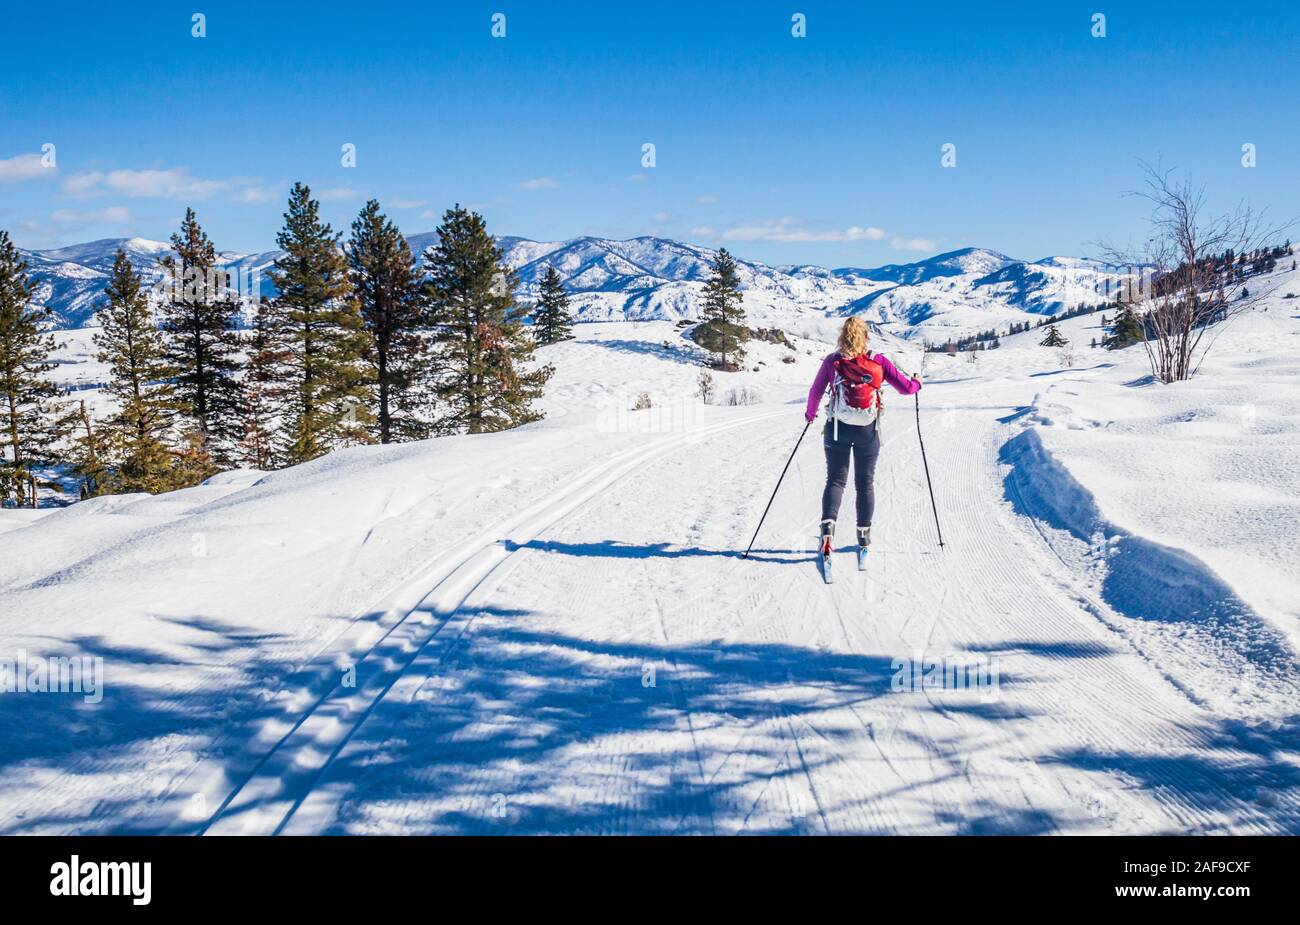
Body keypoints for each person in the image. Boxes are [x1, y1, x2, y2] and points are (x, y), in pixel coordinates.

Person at [804, 316, 921, 555]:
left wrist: (810, 415)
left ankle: (827, 534)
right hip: (868, 431)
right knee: (865, 483)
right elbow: (906, 389)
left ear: (842, 336)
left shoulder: (833, 361)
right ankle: (864, 538)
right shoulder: (878, 361)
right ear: (865, 337)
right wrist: (917, 383)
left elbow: (815, 391)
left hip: (838, 429)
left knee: (836, 480)